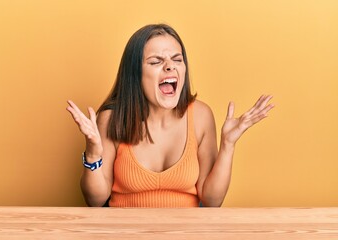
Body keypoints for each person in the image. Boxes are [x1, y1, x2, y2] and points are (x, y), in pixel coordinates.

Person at [66, 24, 274, 207]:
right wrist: (93, 153)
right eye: (156, 61)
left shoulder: (201, 116)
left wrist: (228, 145)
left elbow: (212, 201)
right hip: (125, 232)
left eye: (177, 59)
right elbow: (95, 200)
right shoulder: (112, 118)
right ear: (135, 73)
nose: (169, 65)